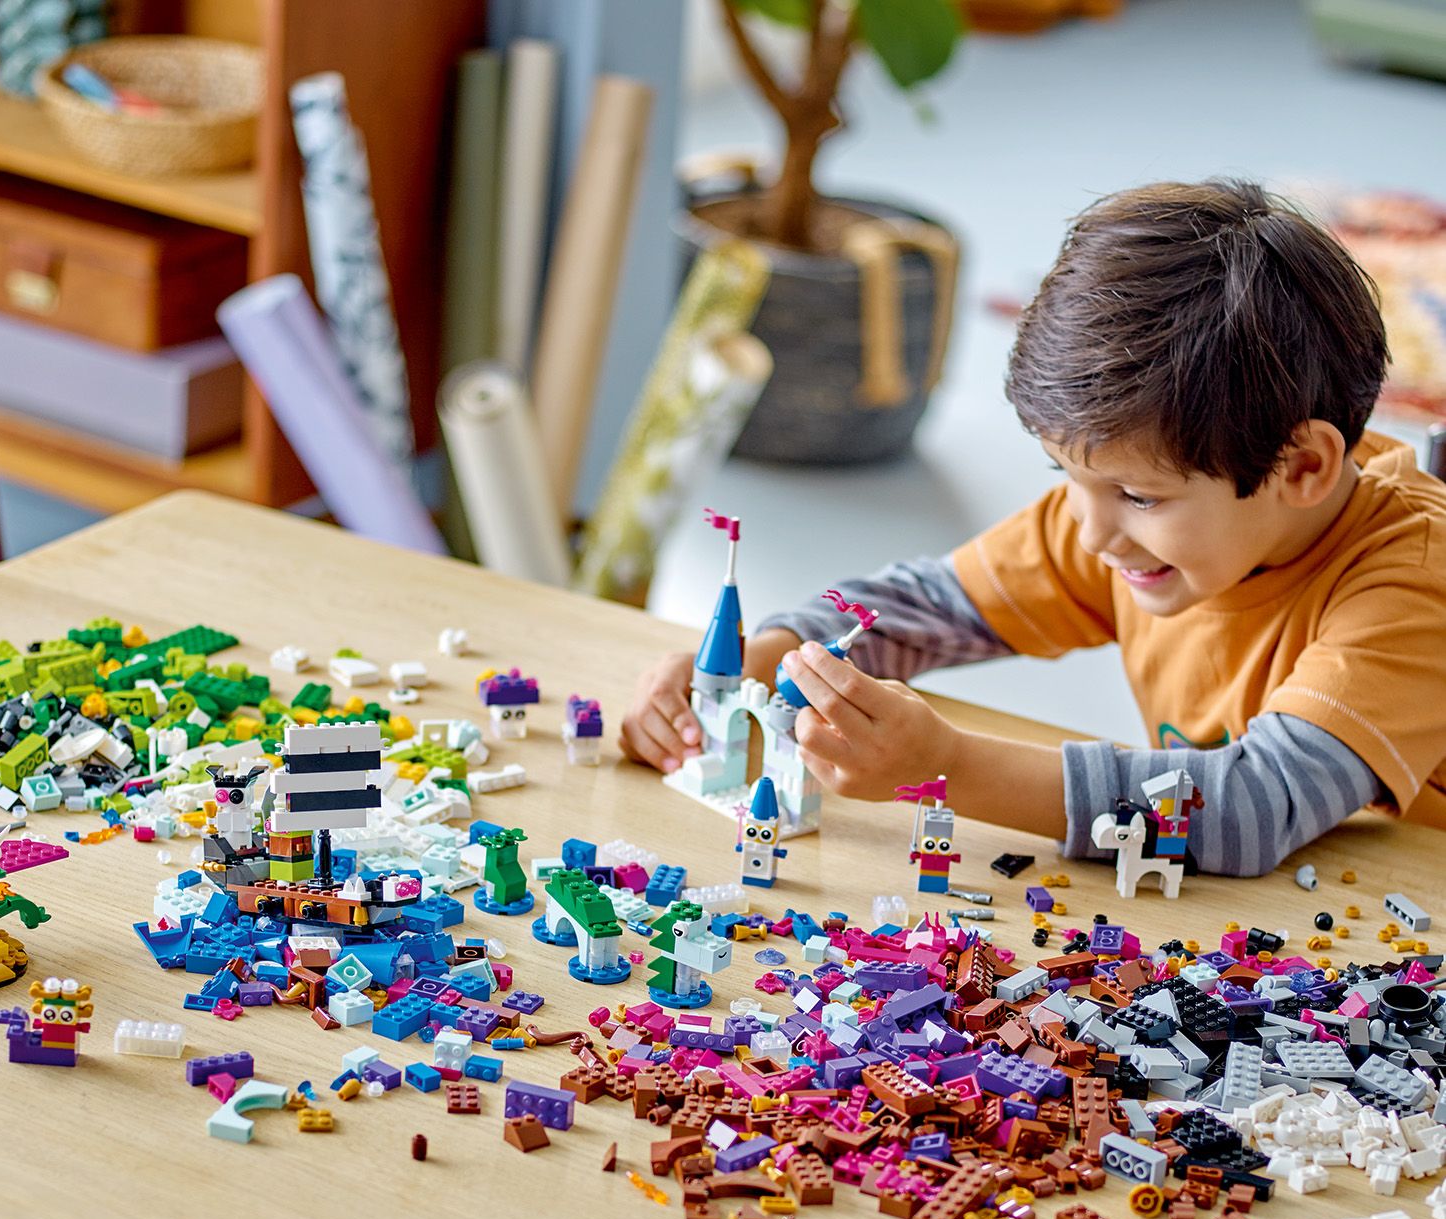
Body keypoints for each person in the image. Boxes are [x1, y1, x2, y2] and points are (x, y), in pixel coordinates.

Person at [619, 179, 1446, 876]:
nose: (1091, 536)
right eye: (1067, 477)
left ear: (1302, 468)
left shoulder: (1414, 581)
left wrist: (943, 765)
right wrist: (774, 655)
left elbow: (1253, 806)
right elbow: (930, 605)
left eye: (1137, 495)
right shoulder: (1143, 513)